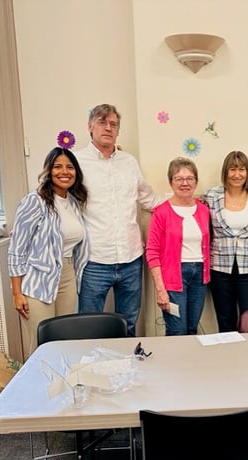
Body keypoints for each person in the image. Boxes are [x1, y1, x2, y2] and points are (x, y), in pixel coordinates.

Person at [75, 104, 163, 336]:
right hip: (94, 260)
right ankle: (90, 370)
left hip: (131, 259)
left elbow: (148, 198)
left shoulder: (129, 162)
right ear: (90, 126)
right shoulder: (76, 162)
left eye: (113, 124)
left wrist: (184, 201)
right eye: (103, 122)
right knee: (88, 326)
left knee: (128, 324)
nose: (108, 128)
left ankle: (127, 369)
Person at [8, 146, 89, 360]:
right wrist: (17, 293)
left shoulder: (73, 201)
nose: (64, 172)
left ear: (76, 172)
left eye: (70, 167)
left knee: (65, 339)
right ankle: (38, 390)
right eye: (58, 166)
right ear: (48, 171)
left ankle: (62, 388)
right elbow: (16, 249)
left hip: (67, 274)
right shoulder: (34, 201)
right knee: (41, 344)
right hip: (38, 279)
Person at [146, 157, 210, 336]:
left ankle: (190, 364)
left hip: (199, 276)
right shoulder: (161, 212)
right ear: (170, 182)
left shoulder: (204, 210)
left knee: (191, 328)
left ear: (196, 182)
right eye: (179, 178)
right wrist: (160, 289)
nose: (185, 183)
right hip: (174, 277)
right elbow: (152, 252)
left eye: (189, 178)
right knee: (177, 330)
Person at [203, 150, 248, 332]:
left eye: (242, 169)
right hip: (220, 266)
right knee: (225, 317)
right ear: (225, 172)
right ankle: (227, 355)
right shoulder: (211, 196)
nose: (237, 175)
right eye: (232, 169)